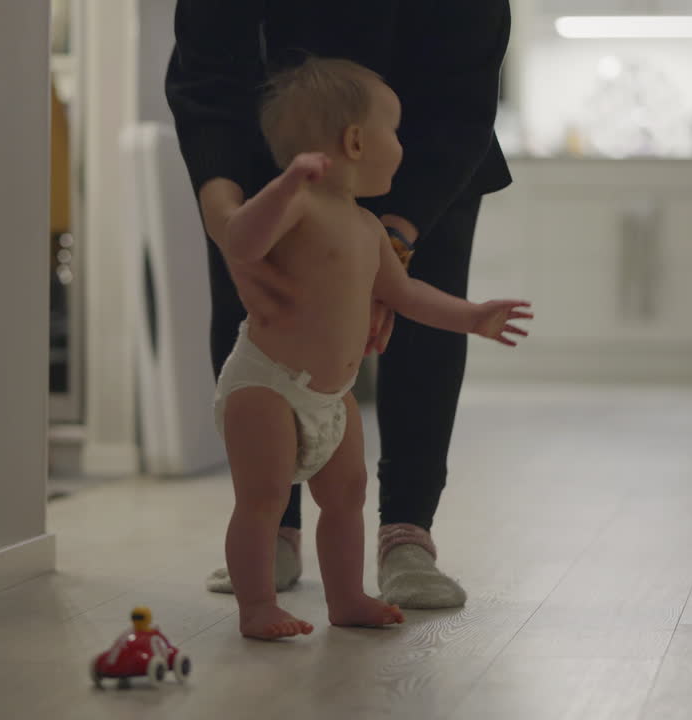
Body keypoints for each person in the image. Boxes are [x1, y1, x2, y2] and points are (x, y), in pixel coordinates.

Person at [166, 0, 513, 609]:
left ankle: (407, 531)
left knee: (420, 338)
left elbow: (464, 92)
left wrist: (404, 252)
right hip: (274, 155)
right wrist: (232, 228)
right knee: (260, 317)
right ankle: (269, 520)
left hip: (425, 144)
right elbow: (207, 74)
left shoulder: (411, 125)